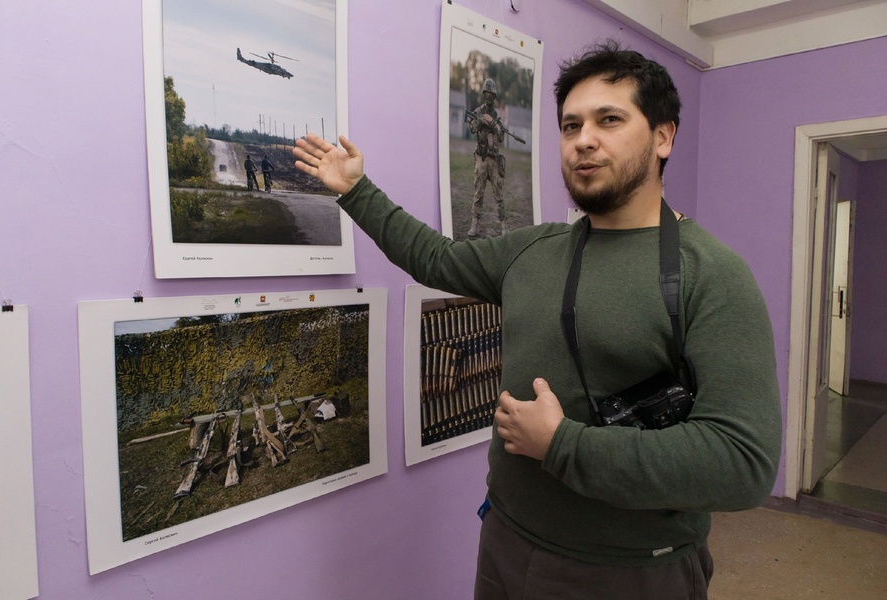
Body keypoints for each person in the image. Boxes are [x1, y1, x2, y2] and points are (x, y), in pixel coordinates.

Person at [293, 39, 781, 600]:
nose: (584, 140)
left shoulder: (713, 274)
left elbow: (742, 463)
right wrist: (357, 190)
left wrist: (561, 445)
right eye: (570, 126)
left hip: (633, 571)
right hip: (506, 542)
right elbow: (436, 258)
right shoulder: (534, 252)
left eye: (610, 119)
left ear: (663, 136)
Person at [466, 78, 507, 238]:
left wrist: (494, 124)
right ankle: (474, 225)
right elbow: (471, 128)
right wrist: (480, 121)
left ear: (495, 96)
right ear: (484, 94)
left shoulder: (497, 115)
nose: (489, 96)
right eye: (487, 93)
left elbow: (502, 136)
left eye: (492, 94)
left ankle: (504, 227)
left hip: (494, 160)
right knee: (479, 192)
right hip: (482, 159)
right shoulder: (478, 111)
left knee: (498, 193)